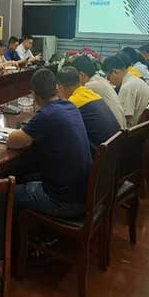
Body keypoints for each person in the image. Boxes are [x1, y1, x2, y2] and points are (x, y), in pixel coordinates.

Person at [6, 69, 91, 219]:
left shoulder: (47, 115)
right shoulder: (70, 106)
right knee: (27, 176)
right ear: (57, 88)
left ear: (34, 95)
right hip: (82, 193)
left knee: (7, 193)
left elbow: (13, 141)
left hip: (63, 202)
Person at [56, 66, 120, 148]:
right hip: (117, 145)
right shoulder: (91, 93)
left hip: (103, 152)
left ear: (60, 88)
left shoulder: (73, 103)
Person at [71, 55, 126, 128]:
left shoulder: (90, 86)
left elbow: (72, 107)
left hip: (116, 130)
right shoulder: (100, 80)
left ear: (81, 75)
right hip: (119, 130)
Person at [103, 54, 149, 127]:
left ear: (115, 72)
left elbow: (122, 118)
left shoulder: (127, 87)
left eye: (108, 77)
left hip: (135, 129)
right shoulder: (133, 79)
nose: (109, 81)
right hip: (145, 125)